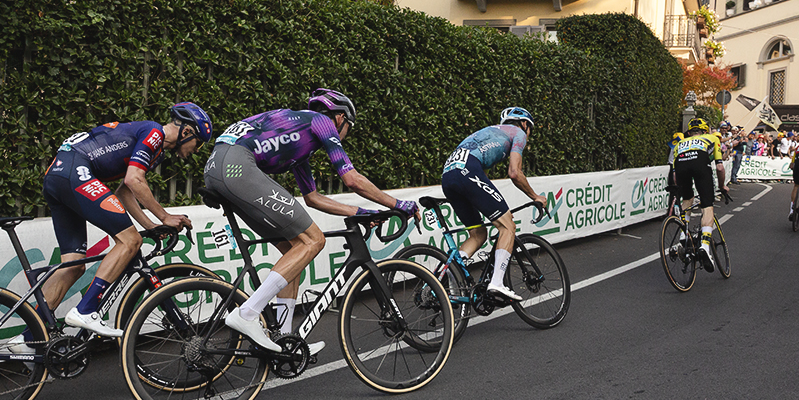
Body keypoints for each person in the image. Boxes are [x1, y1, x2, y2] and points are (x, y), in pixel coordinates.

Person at [202, 88, 418, 353]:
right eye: (349, 127)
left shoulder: (299, 141)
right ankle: (247, 313)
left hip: (217, 168)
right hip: (235, 167)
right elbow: (351, 179)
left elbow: (313, 198)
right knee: (314, 240)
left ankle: (282, 340)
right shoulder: (322, 121)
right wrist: (398, 204)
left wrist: (360, 212)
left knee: (295, 252)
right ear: (341, 118)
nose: (346, 133)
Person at [41, 103, 212, 337]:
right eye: (198, 143)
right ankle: (86, 310)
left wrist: (151, 225)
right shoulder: (154, 133)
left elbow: (124, 191)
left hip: (58, 177)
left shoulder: (157, 150)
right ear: (187, 132)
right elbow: (134, 180)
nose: (197, 150)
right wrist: (165, 216)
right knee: (130, 241)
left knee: (73, 266)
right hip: (75, 171)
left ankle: (31, 335)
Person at [441, 107, 546, 302]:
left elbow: (482, 183)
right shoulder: (518, 133)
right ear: (524, 124)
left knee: (478, 234)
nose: (528, 133)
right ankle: (497, 282)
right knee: (508, 227)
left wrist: (499, 210)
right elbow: (514, 173)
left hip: (448, 176)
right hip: (467, 171)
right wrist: (535, 196)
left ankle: (452, 276)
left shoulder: (488, 132)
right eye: (529, 129)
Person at [671, 117, 728, 271]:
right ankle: (704, 246)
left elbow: (675, 176)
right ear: (704, 131)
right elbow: (720, 168)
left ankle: (683, 236)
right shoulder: (712, 138)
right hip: (700, 163)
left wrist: (681, 189)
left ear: (689, 132)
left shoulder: (680, 143)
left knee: (687, 199)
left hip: (681, 165)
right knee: (707, 205)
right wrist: (722, 186)